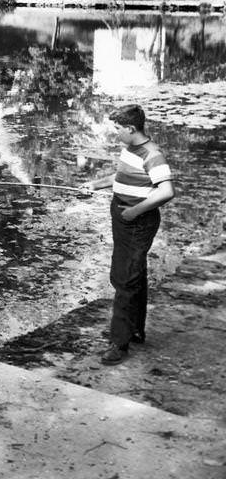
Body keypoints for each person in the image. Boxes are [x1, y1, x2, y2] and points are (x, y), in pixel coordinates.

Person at [83, 104, 175, 366]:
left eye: (118, 129)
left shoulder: (152, 154)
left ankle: (119, 343)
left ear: (132, 128)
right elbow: (121, 176)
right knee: (134, 274)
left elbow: (166, 191)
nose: (116, 134)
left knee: (125, 278)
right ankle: (134, 329)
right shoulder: (131, 150)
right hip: (123, 216)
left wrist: (134, 212)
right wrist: (95, 184)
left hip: (137, 221)